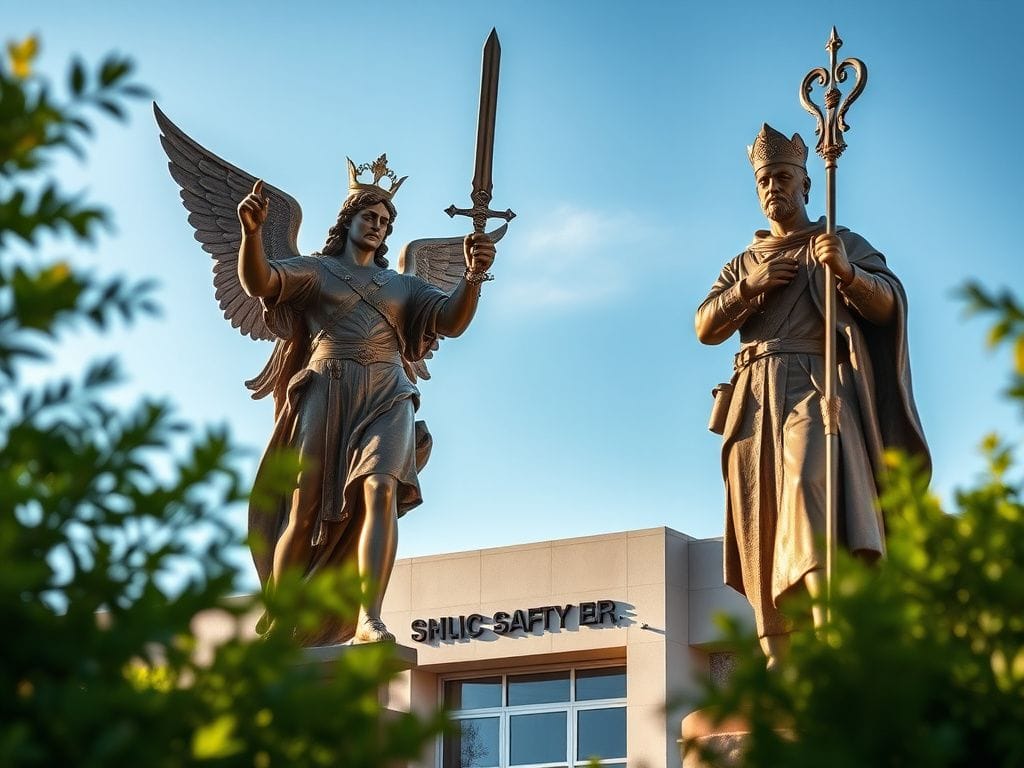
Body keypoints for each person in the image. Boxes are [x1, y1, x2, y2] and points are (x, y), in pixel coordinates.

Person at [695, 124, 929, 667]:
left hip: (817, 384)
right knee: (761, 514)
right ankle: (777, 649)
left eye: (782, 176)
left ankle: (830, 632)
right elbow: (704, 325)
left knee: (807, 489)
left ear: (805, 184)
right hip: (753, 397)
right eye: (764, 180)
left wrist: (845, 272)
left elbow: (889, 304)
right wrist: (749, 288)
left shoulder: (839, 243)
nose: (773, 188)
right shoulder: (743, 262)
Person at [237, 166, 495, 645]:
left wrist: (474, 277)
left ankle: (367, 618)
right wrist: (251, 236)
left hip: (388, 391)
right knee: (304, 508)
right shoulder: (316, 270)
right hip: (326, 388)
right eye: (369, 215)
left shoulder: (404, 286)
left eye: (383, 219)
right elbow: (261, 283)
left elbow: (451, 320)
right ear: (348, 219)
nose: (377, 225)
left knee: (380, 490)